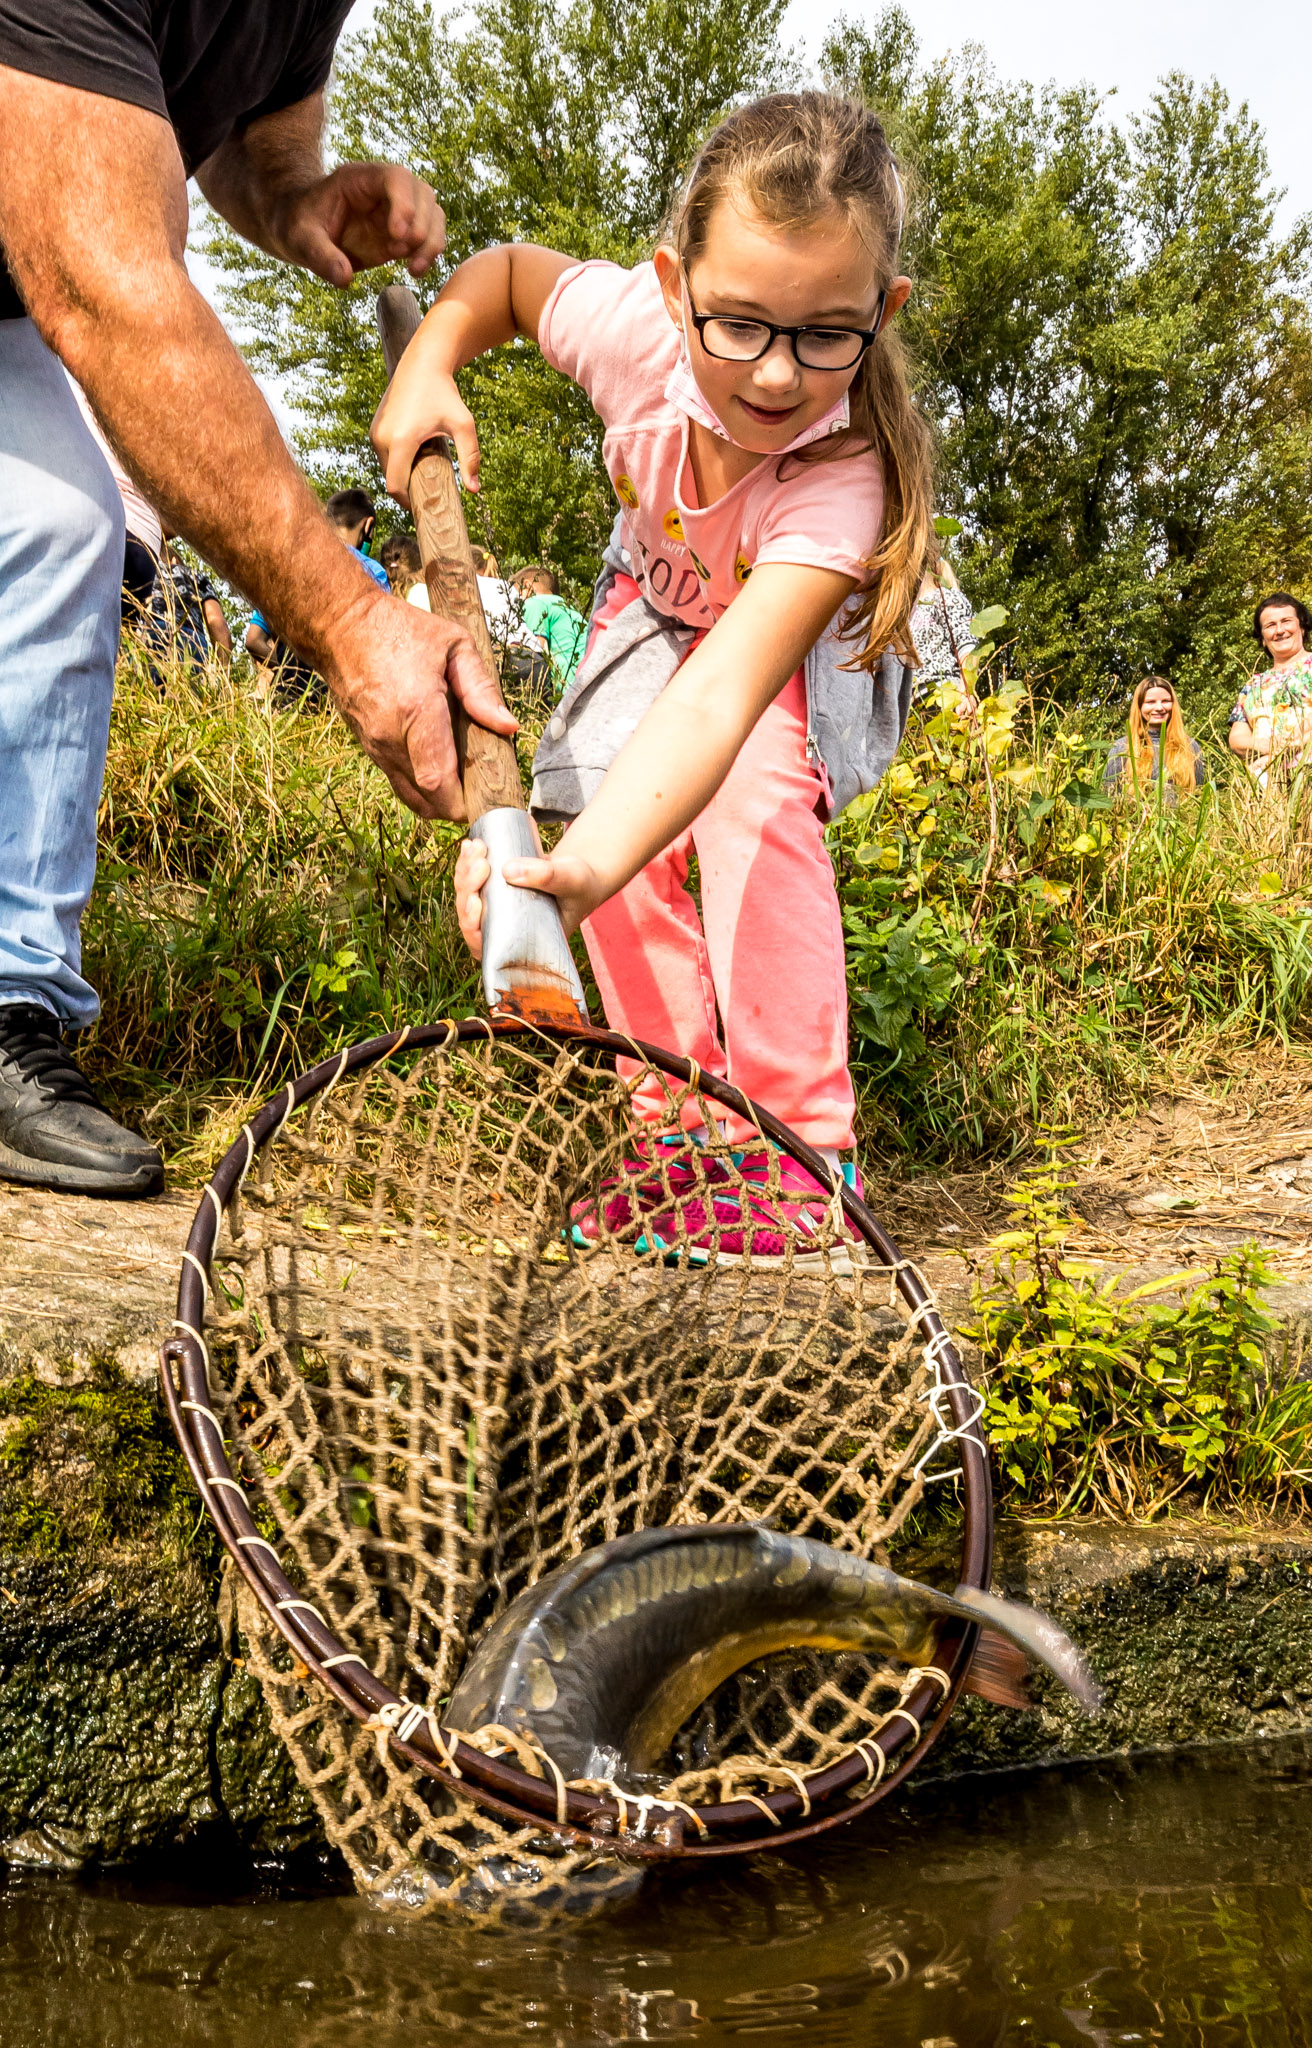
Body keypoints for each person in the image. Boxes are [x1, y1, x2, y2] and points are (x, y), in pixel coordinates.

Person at [375, 91, 927, 1261]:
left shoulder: (841, 474)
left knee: (743, 791)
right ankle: (680, 1135)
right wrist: (430, 359)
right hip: (660, 602)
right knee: (593, 789)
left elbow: (722, 702)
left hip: (799, 635)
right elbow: (512, 279)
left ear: (883, 313)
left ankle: (796, 1151)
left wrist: (565, 879)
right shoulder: (633, 328)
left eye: (825, 334)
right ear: (675, 289)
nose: (777, 376)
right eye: (740, 325)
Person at [0, 4, 514, 1200]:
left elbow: (251, 121)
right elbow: (105, 278)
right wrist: (348, 622)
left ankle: (10, 1005)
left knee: (60, 526)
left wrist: (294, 197)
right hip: (42, 264)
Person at [246, 489, 392, 706]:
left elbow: (253, 640)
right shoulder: (373, 572)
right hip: (339, 706)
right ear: (368, 526)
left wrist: (293, 672)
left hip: (286, 703)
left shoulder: (291, 564)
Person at [1228, 593, 1312, 784]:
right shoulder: (1252, 686)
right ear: (1263, 638)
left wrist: (1288, 747)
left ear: (1302, 627)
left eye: (1286, 621)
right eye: (1270, 625)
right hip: (1266, 786)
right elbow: (1237, 738)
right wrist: (1269, 747)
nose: (1280, 630)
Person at [1104, 676, 1205, 804]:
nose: (1159, 707)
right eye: (1150, 702)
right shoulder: (1121, 748)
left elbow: (1198, 799)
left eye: (1166, 701)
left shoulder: (1190, 746)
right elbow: (1109, 799)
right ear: (1139, 707)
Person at [142, 537, 233, 676]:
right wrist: (224, 675)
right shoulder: (195, 576)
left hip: (149, 635)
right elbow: (217, 622)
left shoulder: (144, 570)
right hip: (191, 642)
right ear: (175, 561)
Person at [909, 554, 976, 700]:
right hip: (913, 699)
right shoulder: (910, 612)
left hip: (942, 692)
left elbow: (966, 646)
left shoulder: (946, 598)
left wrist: (966, 693)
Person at [513, 565, 587, 693]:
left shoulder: (534, 603)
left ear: (527, 586)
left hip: (566, 689)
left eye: (515, 594)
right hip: (587, 682)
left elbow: (536, 650)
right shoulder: (567, 609)